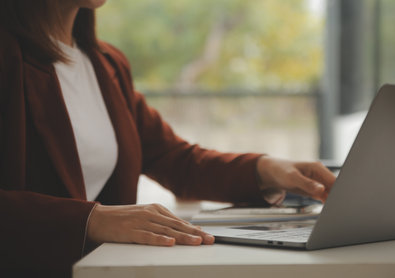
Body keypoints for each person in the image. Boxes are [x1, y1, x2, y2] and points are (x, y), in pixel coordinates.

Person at [0, 0, 336, 276]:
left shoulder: (106, 63)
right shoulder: (9, 56)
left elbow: (176, 160)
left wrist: (266, 169)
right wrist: (91, 220)